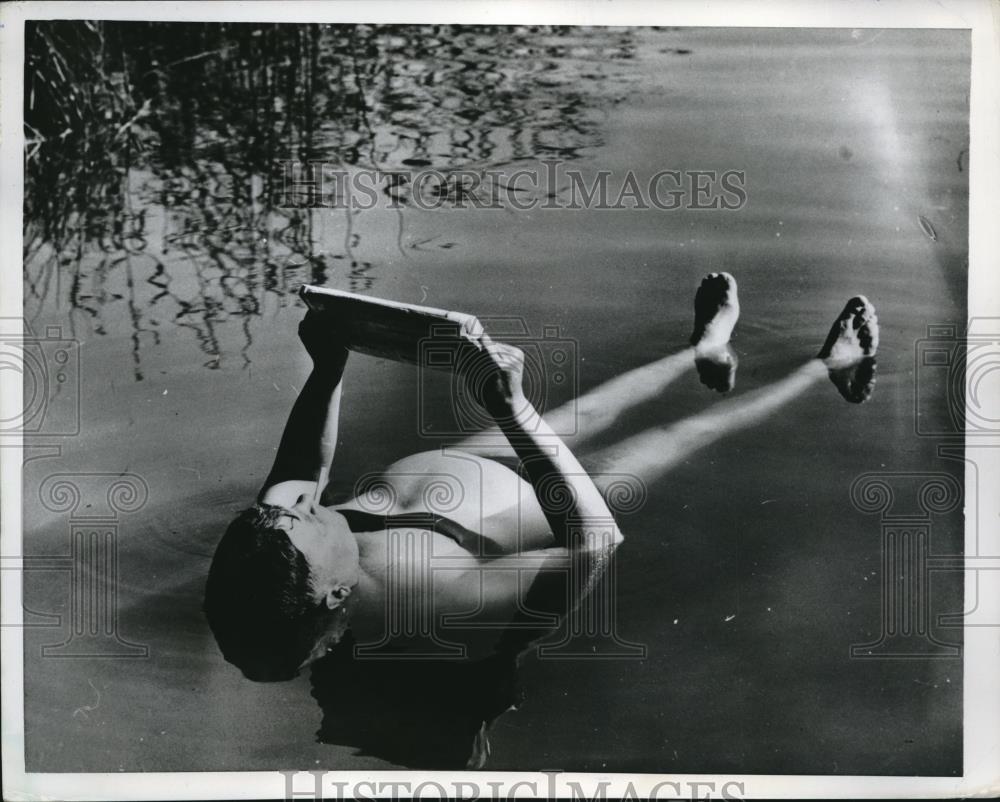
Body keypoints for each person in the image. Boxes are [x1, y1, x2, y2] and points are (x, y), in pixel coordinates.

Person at [204, 273, 878, 760]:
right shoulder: (429, 598)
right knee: (669, 440)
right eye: (303, 517)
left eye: (283, 511)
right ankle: (824, 368)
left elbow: (301, 467)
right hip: (552, 505)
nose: (296, 502)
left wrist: (328, 367)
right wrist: (512, 413)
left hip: (461, 471)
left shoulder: (267, 551)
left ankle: (699, 350)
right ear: (338, 593)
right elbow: (595, 547)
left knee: (594, 406)